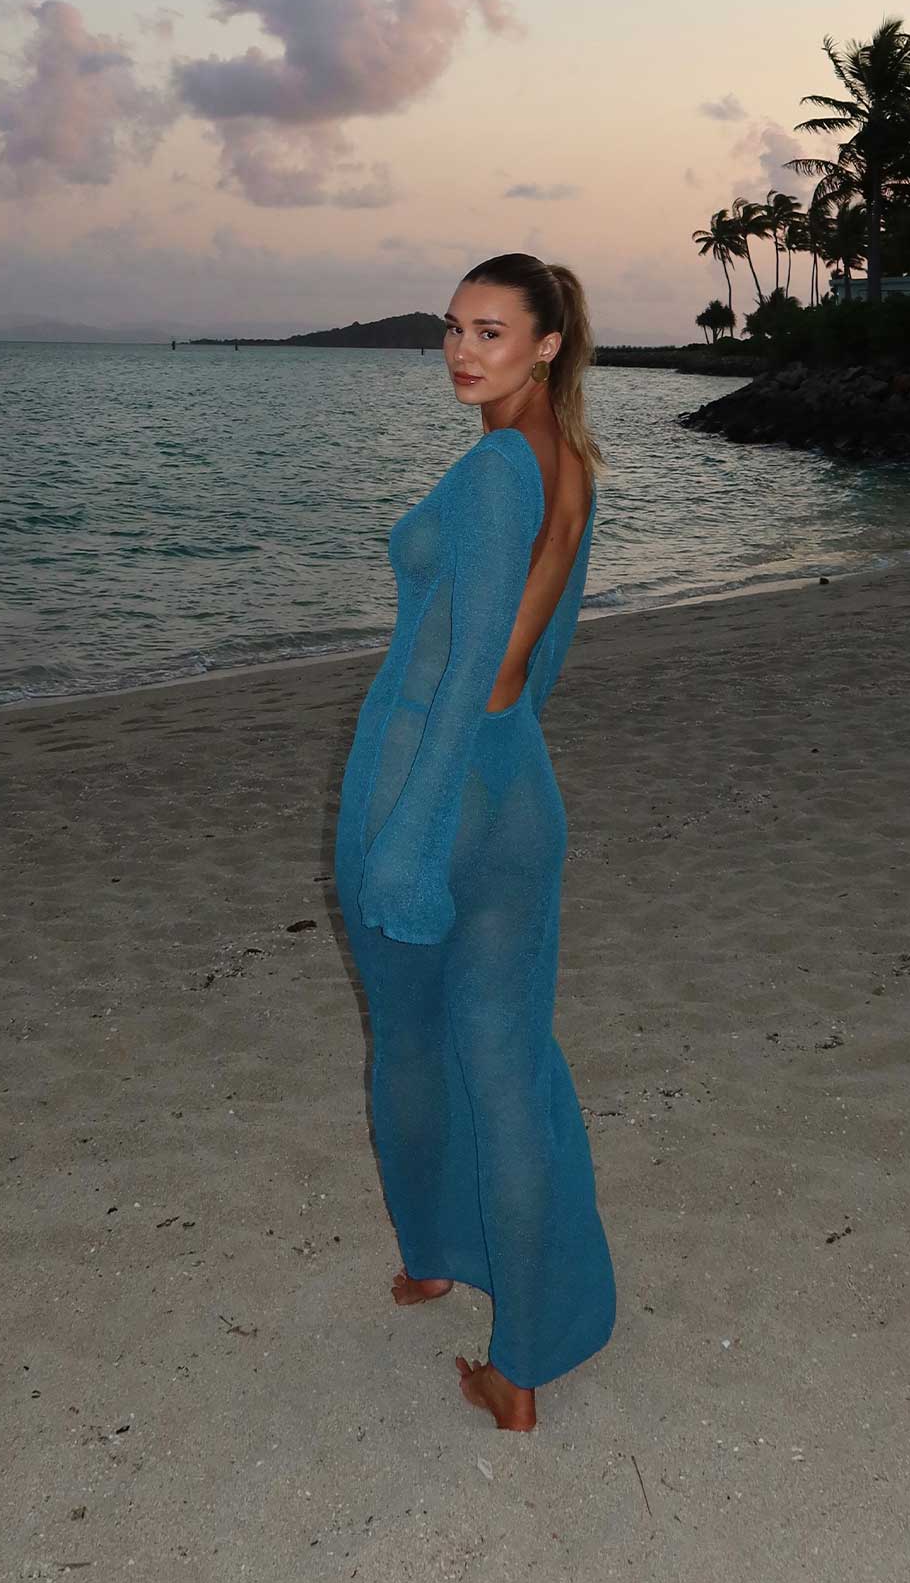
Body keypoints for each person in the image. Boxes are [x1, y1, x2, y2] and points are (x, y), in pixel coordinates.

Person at [334, 253, 615, 1431]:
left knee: (409, 1045)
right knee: (506, 1065)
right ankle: (527, 1356)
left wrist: (408, 837)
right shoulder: (572, 464)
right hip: (518, 798)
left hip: (428, 782)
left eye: (491, 330)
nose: (461, 349)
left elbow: (473, 675)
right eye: (453, 327)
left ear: (547, 341)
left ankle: (433, 1257)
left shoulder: (499, 469)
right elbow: (537, 666)